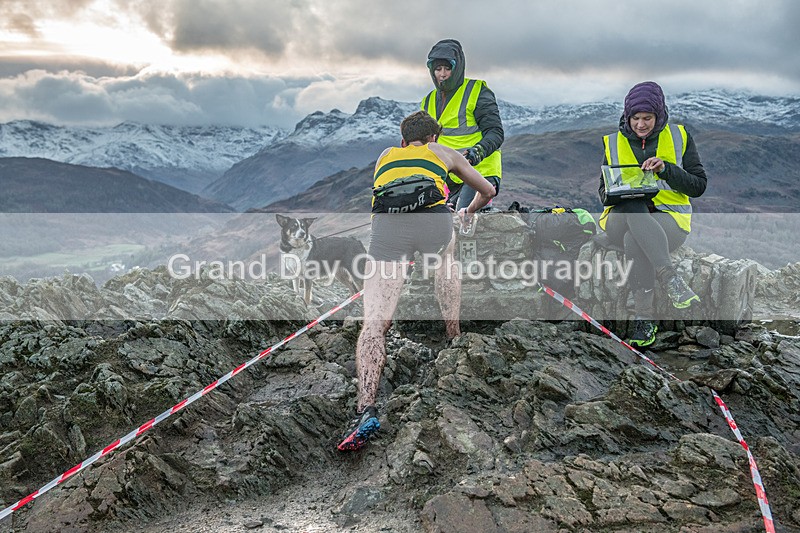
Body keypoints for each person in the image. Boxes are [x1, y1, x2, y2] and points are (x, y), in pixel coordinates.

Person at [338, 110, 495, 451]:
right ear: (434, 137)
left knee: (374, 324)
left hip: (387, 231)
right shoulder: (442, 152)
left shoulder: (386, 155)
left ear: (402, 139)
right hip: (434, 224)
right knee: (445, 260)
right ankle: (453, 335)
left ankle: (365, 407)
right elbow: (487, 189)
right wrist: (467, 211)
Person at [598, 81, 707, 348]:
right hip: (619, 220)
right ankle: (669, 277)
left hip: (667, 221)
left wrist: (666, 170)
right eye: (635, 118)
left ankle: (644, 320)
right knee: (633, 206)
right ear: (627, 115)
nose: (641, 124)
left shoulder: (680, 136)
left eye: (647, 118)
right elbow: (602, 192)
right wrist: (620, 190)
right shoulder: (613, 142)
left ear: (659, 115)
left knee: (635, 241)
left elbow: (698, 186)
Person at [422, 38, 503, 211]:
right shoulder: (427, 101)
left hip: (480, 171)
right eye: (438, 69)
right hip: (447, 175)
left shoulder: (477, 91)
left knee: (462, 220)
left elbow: (495, 133)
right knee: (439, 221)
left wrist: (477, 152)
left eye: (447, 68)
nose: (442, 74)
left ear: (457, 68)